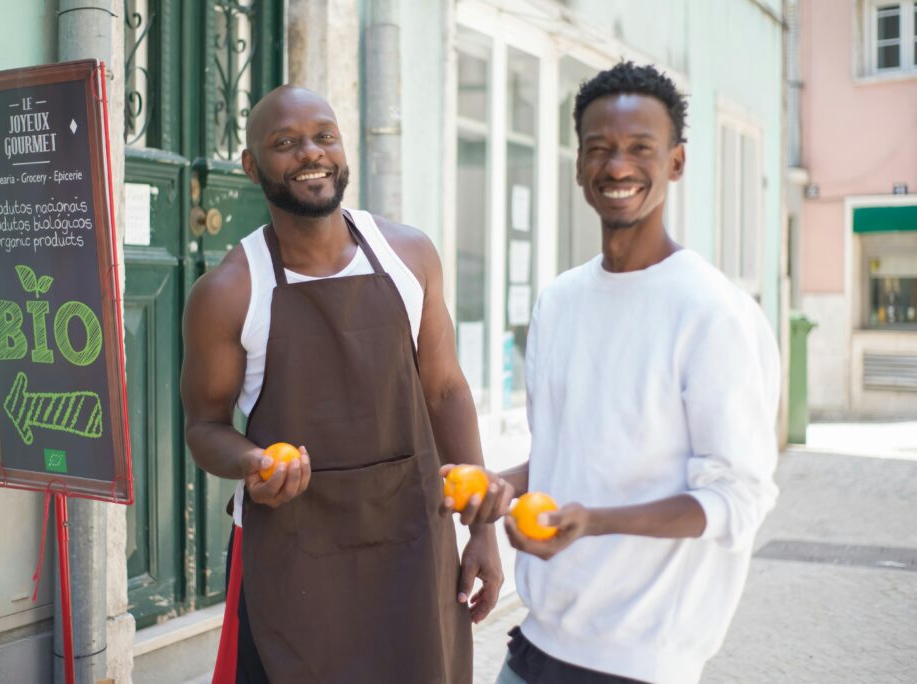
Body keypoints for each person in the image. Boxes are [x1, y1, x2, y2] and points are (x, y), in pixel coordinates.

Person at [445, 62, 781, 684]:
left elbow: (737, 498)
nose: (618, 166)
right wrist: (500, 487)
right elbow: (567, 456)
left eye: (640, 149)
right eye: (599, 149)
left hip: (642, 659)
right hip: (535, 645)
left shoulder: (713, 314)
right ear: (578, 166)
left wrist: (592, 523)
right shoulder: (560, 302)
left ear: (676, 162)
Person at [180, 84, 503, 684]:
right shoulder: (228, 291)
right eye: (285, 143)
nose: (311, 153)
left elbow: (447, 393)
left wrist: (481, 529)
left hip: (413, 539)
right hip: (293, 555)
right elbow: (203, 427)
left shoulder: (410, 255)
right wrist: (252, 461)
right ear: (252, 166)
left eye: (324, 136)